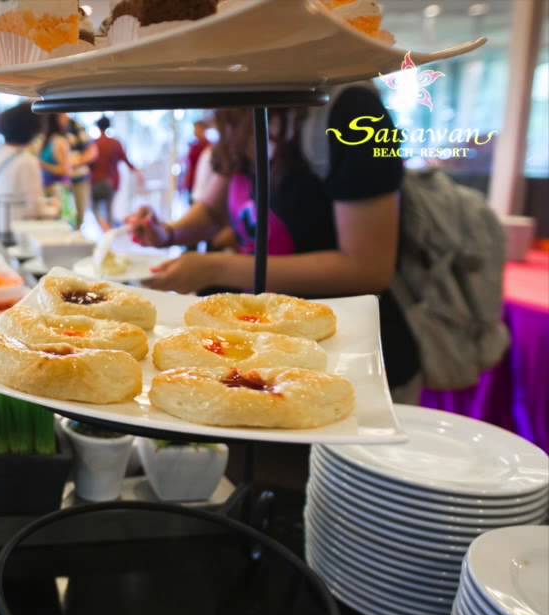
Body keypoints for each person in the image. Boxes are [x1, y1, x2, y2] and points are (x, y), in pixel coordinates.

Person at [125, 85, 421, 400]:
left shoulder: (354, 113)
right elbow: (213, 211)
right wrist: (167, 233)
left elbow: (368, 268)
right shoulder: (245, 107)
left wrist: (217, 268)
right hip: (266, 352)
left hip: (349, 360)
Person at [0, 102, 58, 238]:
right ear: (33, 131)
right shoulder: (27, 161)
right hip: (9, 237)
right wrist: (54, 209)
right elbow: (34, 209)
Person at [89, 116, 141, 229]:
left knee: (94, 208)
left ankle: (104, 228)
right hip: (111, 182)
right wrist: (138, 172)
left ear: (98, 127)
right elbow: (127, 161)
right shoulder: (115, 143)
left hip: (96, 181)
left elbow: (89, 164)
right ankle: (109, 230)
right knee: (109, 211)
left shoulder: (94, 143)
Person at [183, 119, 211, 201]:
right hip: (192, 182)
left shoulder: (208, 147)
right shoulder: (193, 146)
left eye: (197, 129)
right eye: (194, 129)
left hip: (203, 183)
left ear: (203, 129)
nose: (195, 131)